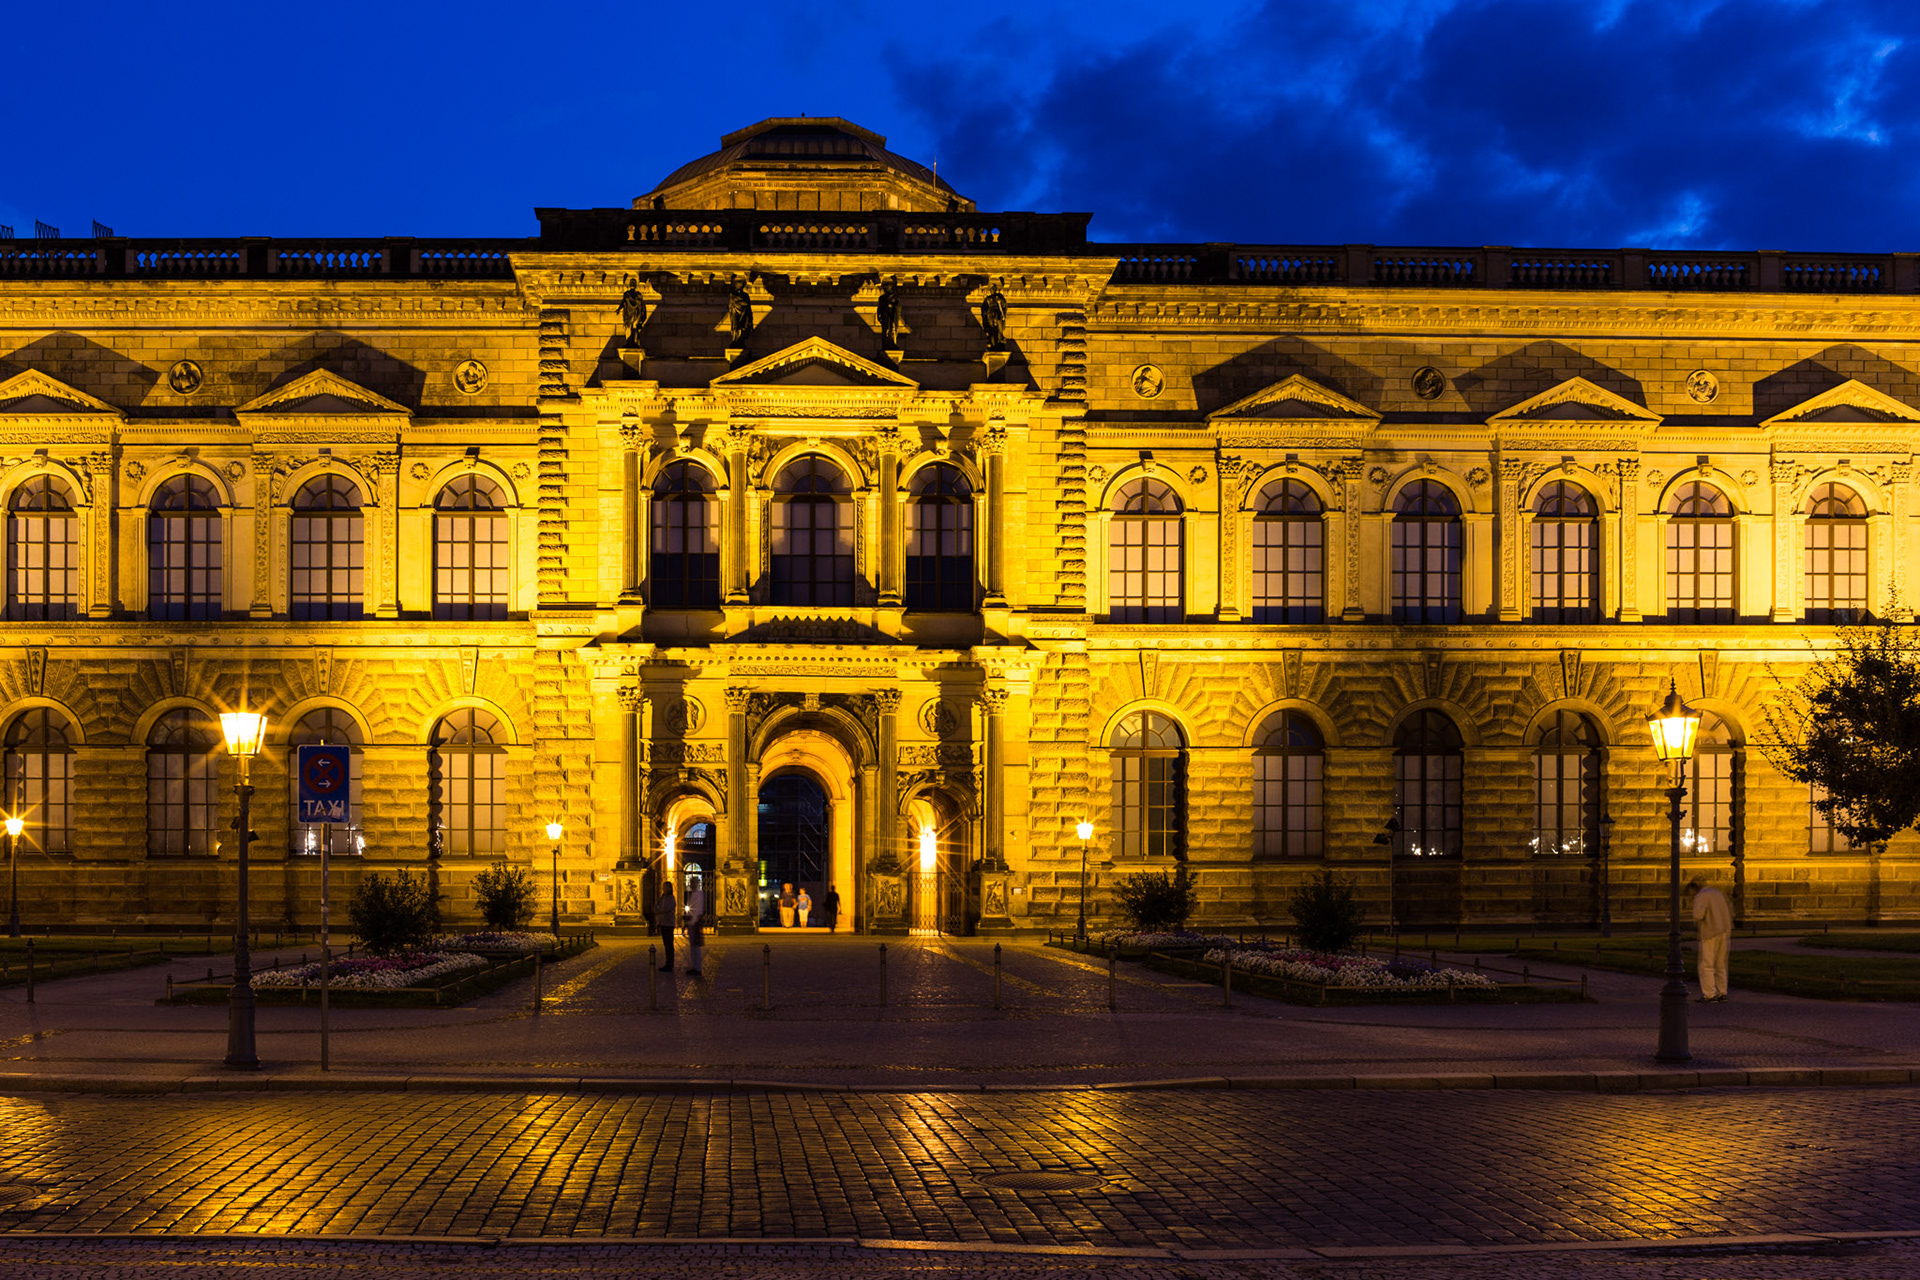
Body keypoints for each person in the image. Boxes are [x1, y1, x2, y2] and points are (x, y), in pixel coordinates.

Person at [1689, 876, 1732, 1002]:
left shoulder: (1701, 896)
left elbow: (1698, 915)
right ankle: (1722, 992)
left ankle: (1709, 994)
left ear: (1694, 888)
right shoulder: (1718, 893)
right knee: (1721, 964)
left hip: (1709, 932)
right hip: (1724, 930)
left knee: (1707, 964)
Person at [654, 884, 677, 972]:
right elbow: (655, 907)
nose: (664, 888)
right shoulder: (662, 897)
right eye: (663, 887)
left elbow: (666, 908)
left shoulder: (671, 898)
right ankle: (667, 963)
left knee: (669, 945)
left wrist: (660, 909)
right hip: (663, 923)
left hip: (669, 924)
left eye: (666, 887)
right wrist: (659, 909)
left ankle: (670, 964)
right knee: (666, 944)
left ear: (670, 888)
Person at [684, 885, 706, 976]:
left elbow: (697, 910)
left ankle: (697, 968)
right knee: (693, 946)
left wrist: (692, 921)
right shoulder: (695, 894)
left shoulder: (698, 894)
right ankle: (695, 966)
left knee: (695, 946)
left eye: (692, 882)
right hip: (693, 923)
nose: (690, 884)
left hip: (695, 923)